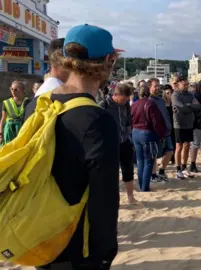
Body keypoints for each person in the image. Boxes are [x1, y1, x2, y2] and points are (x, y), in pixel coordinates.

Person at [25, 24, 120, 270]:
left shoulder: (37, 104)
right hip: (77, 246)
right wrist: (104, 254)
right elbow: (104, 199)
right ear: (109, 60)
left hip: (39, 235)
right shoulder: (97, 120)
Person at [99, 83, 138, 205]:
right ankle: (113, 199)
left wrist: (128, 128)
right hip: (110, 144)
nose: (124, 102)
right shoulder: (103, 105)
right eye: (123, 99)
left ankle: (130, 197)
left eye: (126, 99)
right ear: (115, 95)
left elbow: (128, 118)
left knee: (128, 170)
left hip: (124, 140)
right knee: (112, 173)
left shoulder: (126, 104)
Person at [131, 85, 167, 192]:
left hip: (135, 132)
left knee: (140, 161)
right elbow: (156, 122)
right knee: (148, 161)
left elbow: (129, 119)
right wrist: (161, 135)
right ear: (148, 93)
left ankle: (141, 184)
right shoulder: (150, 104)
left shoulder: (134, 104)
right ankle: (144, 187)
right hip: (147, 133)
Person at [170, 74, 200, 179]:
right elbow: (181, 108)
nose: (187, 86)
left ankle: (184, 167)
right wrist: (189, 106)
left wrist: (188, 106)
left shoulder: (191, 95)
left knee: (187, 145)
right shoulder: (175, 95)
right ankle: (178, 169)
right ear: (178, 85)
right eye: (184, 84)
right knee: (179, 146)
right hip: (179, 124)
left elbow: (198, 106)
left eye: (187, 84)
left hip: (189, 123)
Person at [149, 78, 174, 183]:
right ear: (149, 87)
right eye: (155, 86)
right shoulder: (148, 100)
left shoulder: (160, 100)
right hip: (156, 132)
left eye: (159, 86)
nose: (158, 88)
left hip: (166, 131)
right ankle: (153, 175)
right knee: (154, 154)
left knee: (170, 151)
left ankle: (161, 171)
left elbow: (165, 114)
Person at [0, 81, 30, 146]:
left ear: (22, 90)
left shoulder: (28, 102)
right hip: (9, 131)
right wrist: (1, 134)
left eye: (16, 89)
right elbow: (3, 119)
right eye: (12, 89)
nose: (13, 91)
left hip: (23, 129)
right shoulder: (6, 102)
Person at [163, 84, 176, 164]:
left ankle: (173, 158)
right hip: (166, 125)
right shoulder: (163, 103)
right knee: (166, 142)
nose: (169, 94)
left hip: (174, 124)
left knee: (174, 141)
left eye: (170, 92)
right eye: (167, 93)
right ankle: (167, 157)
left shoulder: (174, 102)